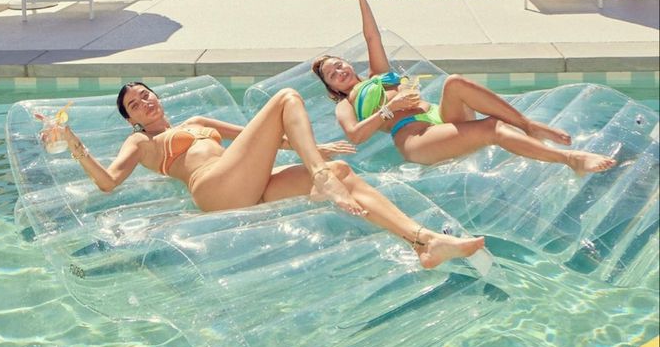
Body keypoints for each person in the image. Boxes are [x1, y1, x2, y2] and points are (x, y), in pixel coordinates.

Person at [48, 81, 486, 270]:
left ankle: (424, 242)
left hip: (246, 184)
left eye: (146, 96)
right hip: (214, 188)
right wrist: (74, 145)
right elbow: (107, 182)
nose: (144, 103)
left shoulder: (199, 120)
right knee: (286, 98)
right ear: (131, 121)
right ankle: (322, 178)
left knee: (342, 169)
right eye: (135, 106)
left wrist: (317, 152)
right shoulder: (141, 143)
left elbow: (271, 139)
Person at [312, 0, 618, 173]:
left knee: (454, 82)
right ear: (331, 87)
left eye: (338, 64)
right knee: (492, 128)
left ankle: (527, 125)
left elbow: (372, 38)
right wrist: (393, 107)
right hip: (417, 137)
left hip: (440, 117)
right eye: (331, 73)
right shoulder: (345, 105)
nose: (339, 70)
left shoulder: (377, 75)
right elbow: (355, 135)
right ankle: (572, 160)